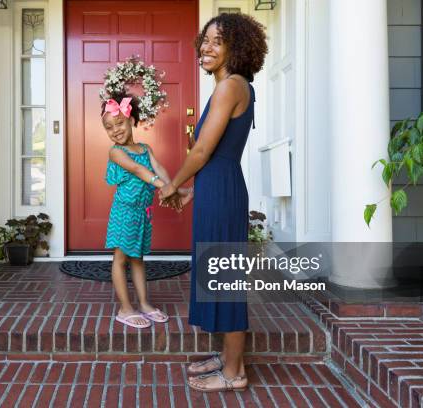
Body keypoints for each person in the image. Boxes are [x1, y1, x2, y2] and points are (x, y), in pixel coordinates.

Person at [159, 13, 267, 392]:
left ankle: (235, 372)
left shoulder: (230, 87)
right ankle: (227, 357)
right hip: (219, 187)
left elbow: (203, 149)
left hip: (222, 188)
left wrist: (173, 184)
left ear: (235, 47)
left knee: (226, 280)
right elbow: (217, 154)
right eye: (204, 40)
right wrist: (195, 191)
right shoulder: (232, 86)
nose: (206, 47)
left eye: (217, 41)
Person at [103, 94, 192, 328]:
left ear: (132, 120)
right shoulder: (116, 152)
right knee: (120, 258)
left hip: (142, 212)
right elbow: (138, 170)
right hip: (124, 211)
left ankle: (143, 303)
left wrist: (171, 186)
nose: (115, 131)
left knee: (138, 258)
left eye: (119, 123)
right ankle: (125, 308)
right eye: (109, 128)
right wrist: (167, 188)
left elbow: (158, 168)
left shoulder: (144, 147)